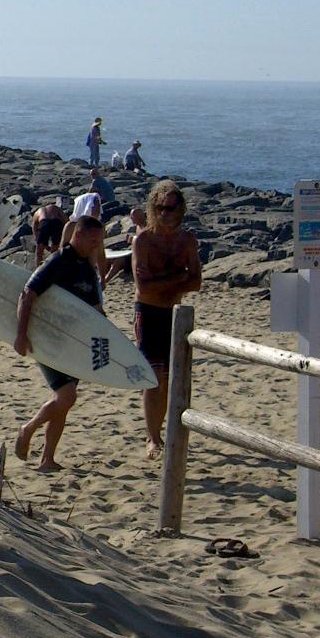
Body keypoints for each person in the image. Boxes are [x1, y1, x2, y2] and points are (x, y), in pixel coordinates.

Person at [14, 215, 106, 473]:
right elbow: (27, 294)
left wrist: (107, 338)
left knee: (63, 402)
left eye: (99, 242)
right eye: (93, 240)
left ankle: (47, 460)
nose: (96, 246)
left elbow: (96, 309)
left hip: (74, 342)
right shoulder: (58, 261)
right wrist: (21, 335)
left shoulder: (87, 267)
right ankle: (28, 428)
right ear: (78, 235)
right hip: (48, 339)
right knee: (67, 396)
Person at [132, 180, 203, 458]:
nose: (164, 214)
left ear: (180, 209)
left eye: (170, 208)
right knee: (155, 377)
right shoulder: (143, 240)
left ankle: (170, 432)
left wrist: (168, 282)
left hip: (175, 313)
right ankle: (152, 437)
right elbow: (144, 287)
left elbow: (196, 281)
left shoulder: (186, 240)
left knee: (175, 378)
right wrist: (178, 278)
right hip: (148, 313)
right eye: (159, 208)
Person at [31, 196, 67, 268]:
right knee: (55, 250)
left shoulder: (38, 211)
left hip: (43, 223)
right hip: (56, 223)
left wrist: (36, 237)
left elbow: (34, 226)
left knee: (39, 252)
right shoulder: (55, 208)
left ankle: (37, 270)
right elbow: (65, 220)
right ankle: (53, 267)